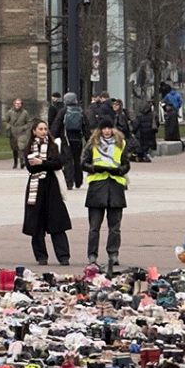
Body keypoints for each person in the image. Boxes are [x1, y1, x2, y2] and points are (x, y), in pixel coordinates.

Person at [82, 119, 130, 271]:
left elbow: (126, 164)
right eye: (104, 128)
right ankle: (92, 255)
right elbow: (83, 163)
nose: (107, 131)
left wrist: (119, 170)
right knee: (94, 226)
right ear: (100, 130)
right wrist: (94, 168)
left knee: (115, 227)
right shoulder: (92, 144)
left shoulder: (120, 144)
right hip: (97, 187)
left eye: (109, 128)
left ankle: (113, 254)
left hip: (115, 187)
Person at [22, 119, 71, 266]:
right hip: (35, 188)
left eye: (45, 129)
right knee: (36, 224)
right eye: (41, 129)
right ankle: (41, 256)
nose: (44, 132)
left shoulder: (53, 146)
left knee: (57, 223)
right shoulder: (29, 148)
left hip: (51, 187)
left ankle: (63, 256)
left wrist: (42, 163)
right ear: (34, 131)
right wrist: (44, 165)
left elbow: (58, 163)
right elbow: (31, 168)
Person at [49, 92, 89, 189]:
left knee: (67, 160)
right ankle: (78, 181)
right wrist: (88, 138)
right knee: (77, 159)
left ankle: (69, 181)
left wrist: (52, 136)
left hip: (66, 138)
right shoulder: (80, 111)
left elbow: (57, 124)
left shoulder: (63, 111)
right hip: (78, 139)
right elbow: (86, 126)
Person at [3, 98, 31, 169]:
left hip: (22, 133)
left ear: (21, 104)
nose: (18, 105)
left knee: (21, 148)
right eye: (16, 103)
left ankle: (22, 162)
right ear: (14, 104)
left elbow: (28, 123)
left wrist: (24, 127)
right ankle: (15, 162)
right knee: (14, 148)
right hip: (13, 132)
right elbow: (5, 120)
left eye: (19, 104)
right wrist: (8, 126)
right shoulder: (10, 112)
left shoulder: (25, 113)